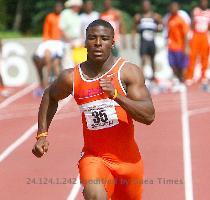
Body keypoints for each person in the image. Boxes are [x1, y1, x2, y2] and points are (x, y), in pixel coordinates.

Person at [32, 19, 155, 199]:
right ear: (85, 42)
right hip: (95, 158)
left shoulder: (127, 72)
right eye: (92, 38)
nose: (98, 43)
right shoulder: (71, 77)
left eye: (104, 39)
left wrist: (116, 96)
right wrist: (42, 135)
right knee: (95, 195)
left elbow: (149, 115)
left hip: (129, 162)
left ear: (113, 42)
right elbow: (50, 95)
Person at [33, 2, 64, 96]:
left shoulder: (64, 17)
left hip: (59, 42)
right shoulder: (50, 17)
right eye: (56, 6)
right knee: (39, 58)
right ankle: (44, 85)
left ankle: (54, 87)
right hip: (49, 42)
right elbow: (46, 31)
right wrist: (45, 42)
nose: (58, 8)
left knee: (55, 63)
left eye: (59, 6)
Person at [132, 0, 162, 81]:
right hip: (143, 42)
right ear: (142, 6)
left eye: (147, 5)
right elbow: (134, 29)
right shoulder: (139, 16)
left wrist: (159, 27)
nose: (145, 7)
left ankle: (153, 76)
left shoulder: (154, 16)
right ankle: (142, 76)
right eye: (144, 5)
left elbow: (161, 25)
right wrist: (133, 40)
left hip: (152, 41)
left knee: (152, 58)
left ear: (150, 6)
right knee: (143, 59)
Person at [165, 2, 190, 89]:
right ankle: (179, 79)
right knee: (172, 64)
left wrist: (186, 47)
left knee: (182, 66)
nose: (173, 9)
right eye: (171, 7)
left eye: (175, 7)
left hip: (180, 47)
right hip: (171, 47)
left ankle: (182, 81)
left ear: (178, 8)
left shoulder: (181, 19)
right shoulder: (169, 19)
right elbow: (168, 32)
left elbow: (186, 33)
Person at [185, 0, 210, 86]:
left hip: (204, 35)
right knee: (192, 56)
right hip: (196, 35)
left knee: (204, 57)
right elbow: (192, 24)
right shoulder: (196, 11)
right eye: (202, 2)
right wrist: (190, 36)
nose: (203, 3)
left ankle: (203, 77)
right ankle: (189, 77)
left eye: (205, 2)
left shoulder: (208, 13)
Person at [59, 0, 83, 68]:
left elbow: (79, 31)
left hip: (77, 41)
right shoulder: (65, 14)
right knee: (68, 64)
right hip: (67, 42)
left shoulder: (77, 15)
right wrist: (70, 41)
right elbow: (61, 29)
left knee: (79, 62)